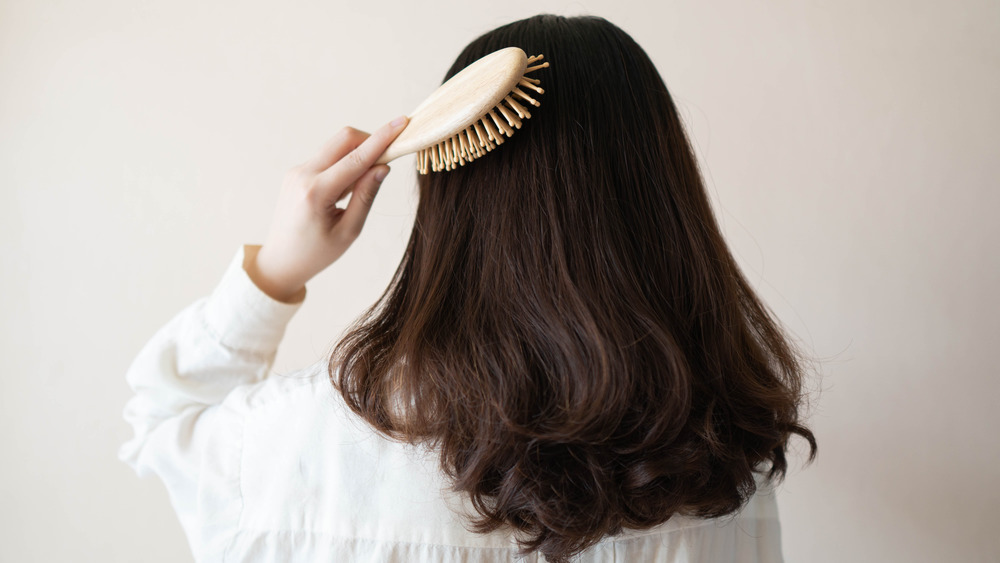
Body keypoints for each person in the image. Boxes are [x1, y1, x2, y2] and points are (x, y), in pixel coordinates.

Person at [119, 13, 816, 563]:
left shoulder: (303, 448)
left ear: (449, 198)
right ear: (664, 203)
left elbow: (162, 422)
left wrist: (274, 270)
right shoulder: (723, 468)